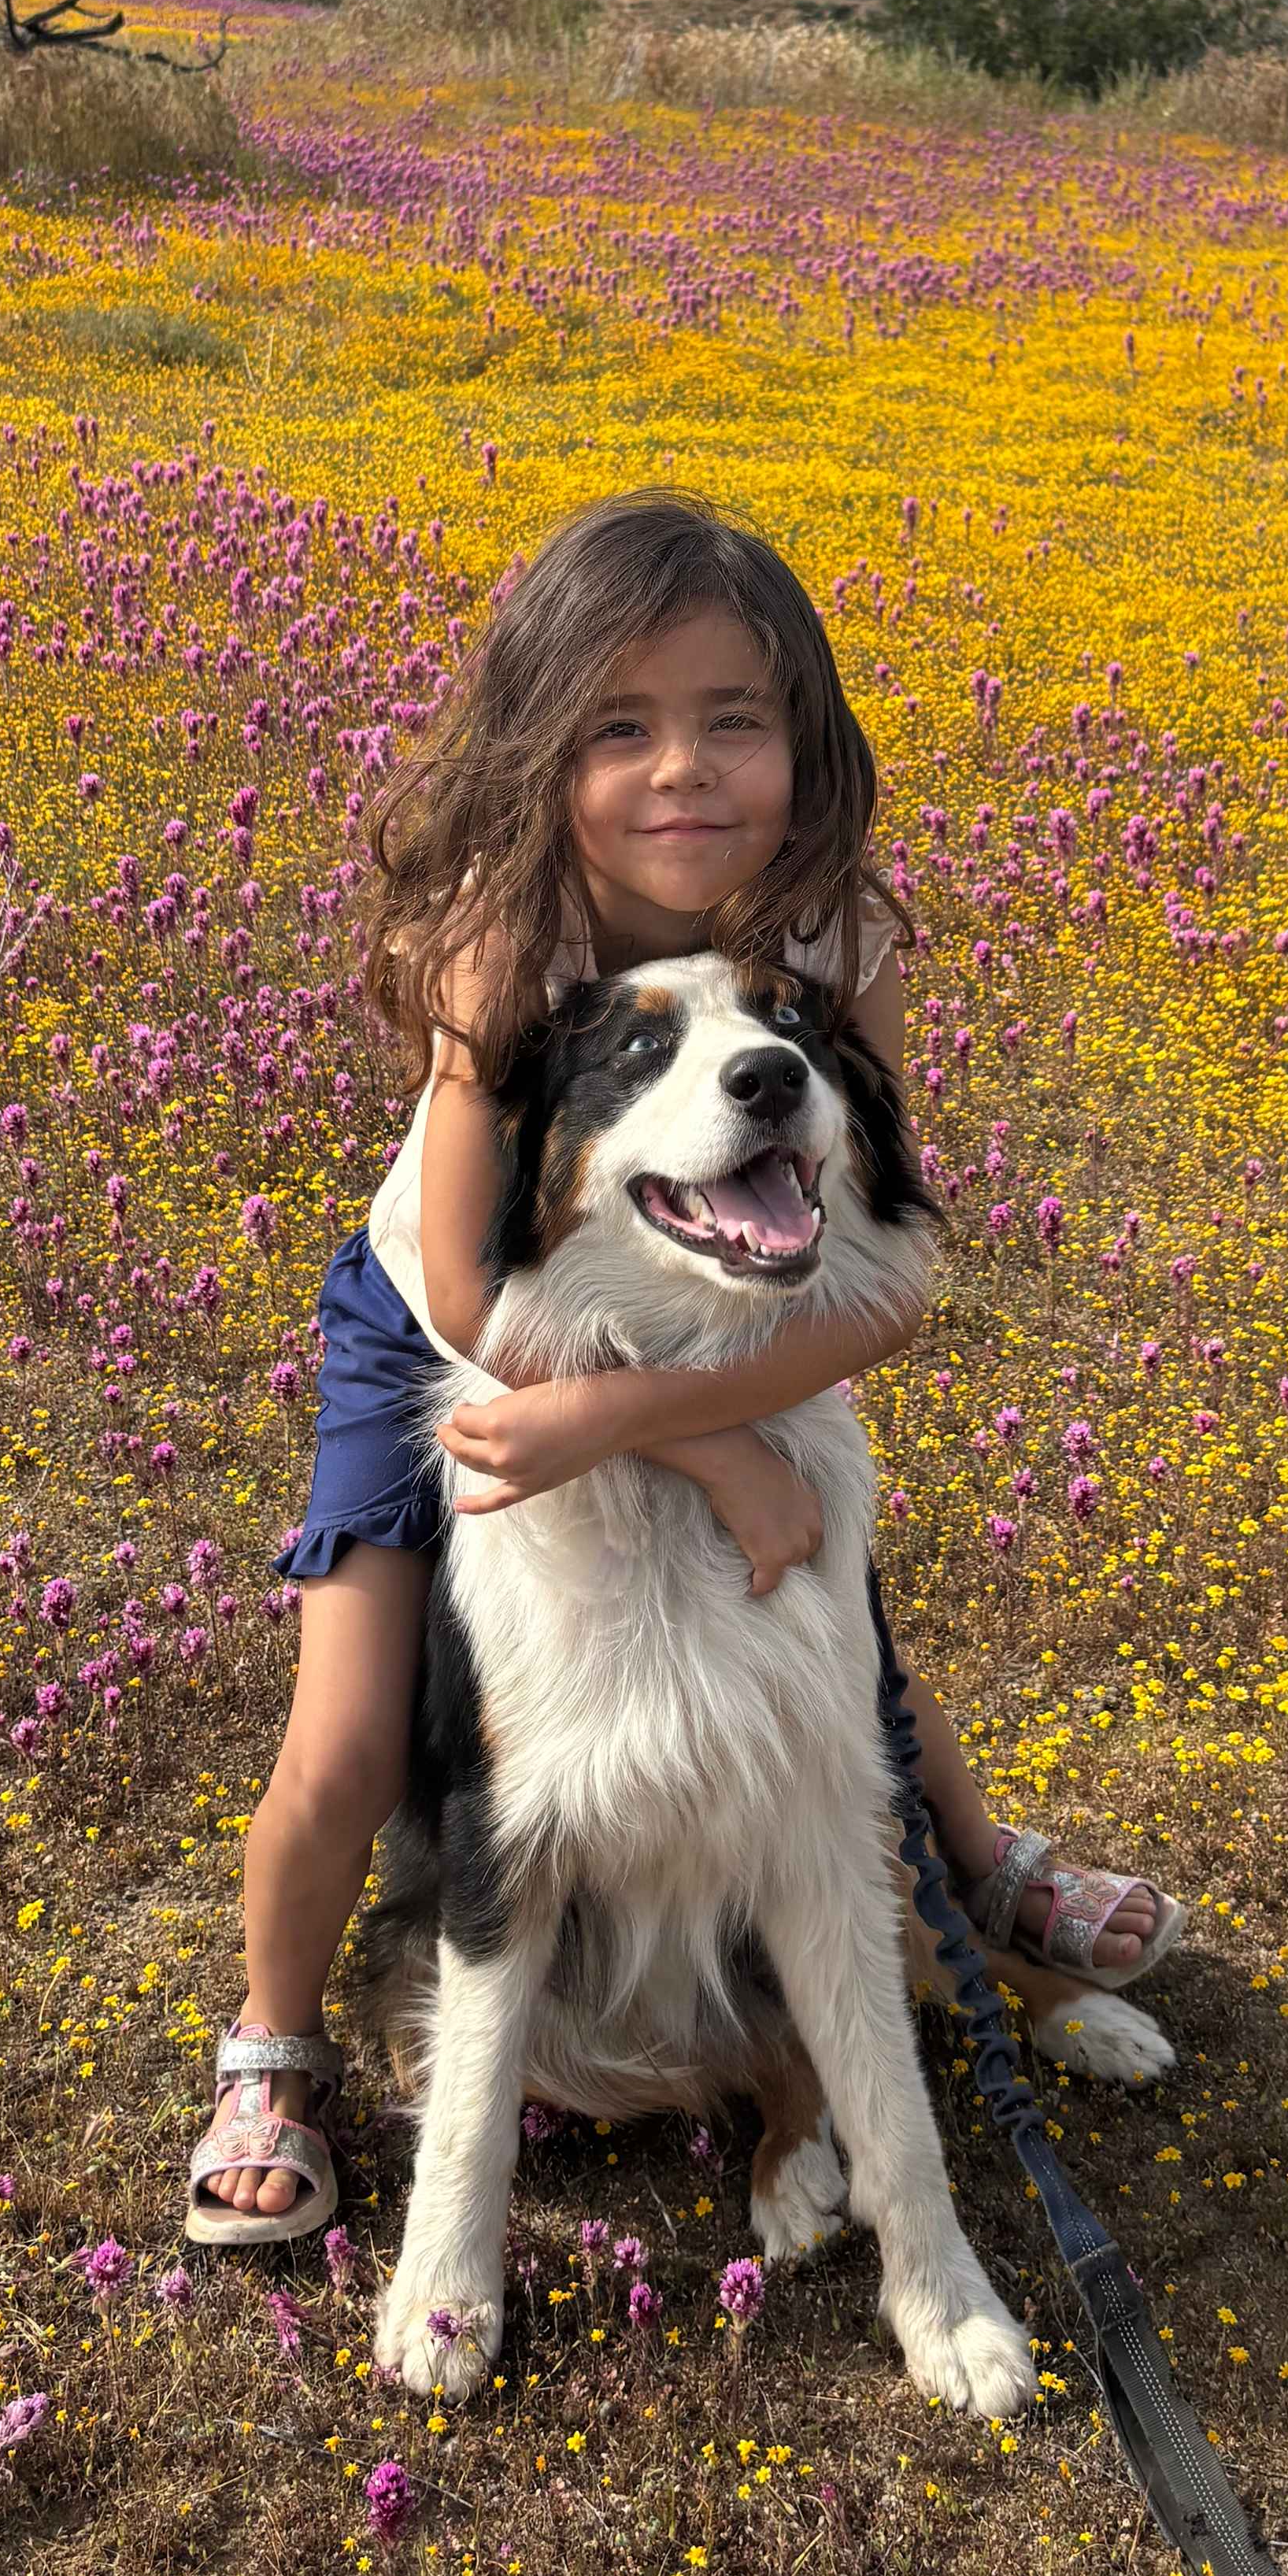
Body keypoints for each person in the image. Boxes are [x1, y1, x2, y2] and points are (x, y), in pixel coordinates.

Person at [186, 489, 1186, 2244]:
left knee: (830, 1647)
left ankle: (981, 1881)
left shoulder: (834, 942)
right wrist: (688, 1447)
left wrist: (673, 1417)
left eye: (737, 720)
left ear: (805, 742)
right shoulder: (506, 937)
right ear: (540, 753)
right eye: (624, 728)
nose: (685, 770)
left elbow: (887, 1280)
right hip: (460, 1323)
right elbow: (454, 1270)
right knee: (351, 1732)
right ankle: (272, 2041)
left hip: (726, 1321)